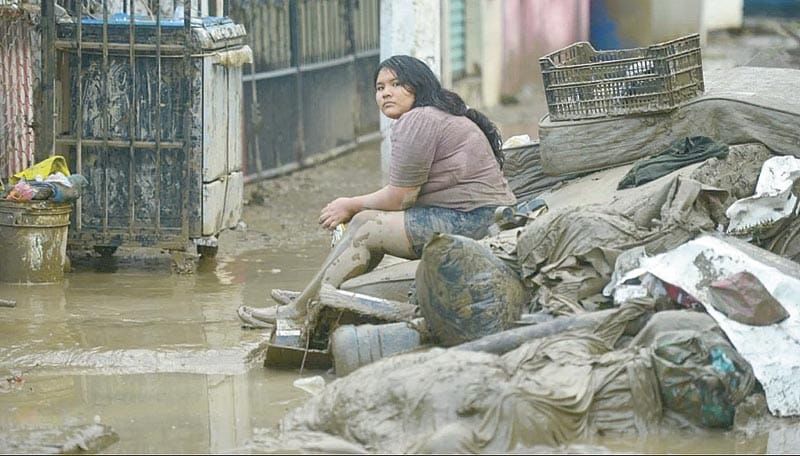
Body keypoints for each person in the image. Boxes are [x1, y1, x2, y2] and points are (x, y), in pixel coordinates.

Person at [238, 55, 516, 326]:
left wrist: (350, 204)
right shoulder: (433, 116)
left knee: (365, 224)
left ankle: (300, 310)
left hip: (474, 221)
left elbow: (401, 197)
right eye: (380, 88)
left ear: (418, 86)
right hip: (484, 217)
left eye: (396, 84)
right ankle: (314, 296)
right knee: (367, 221)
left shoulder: (418, 120)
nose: (386, 93)